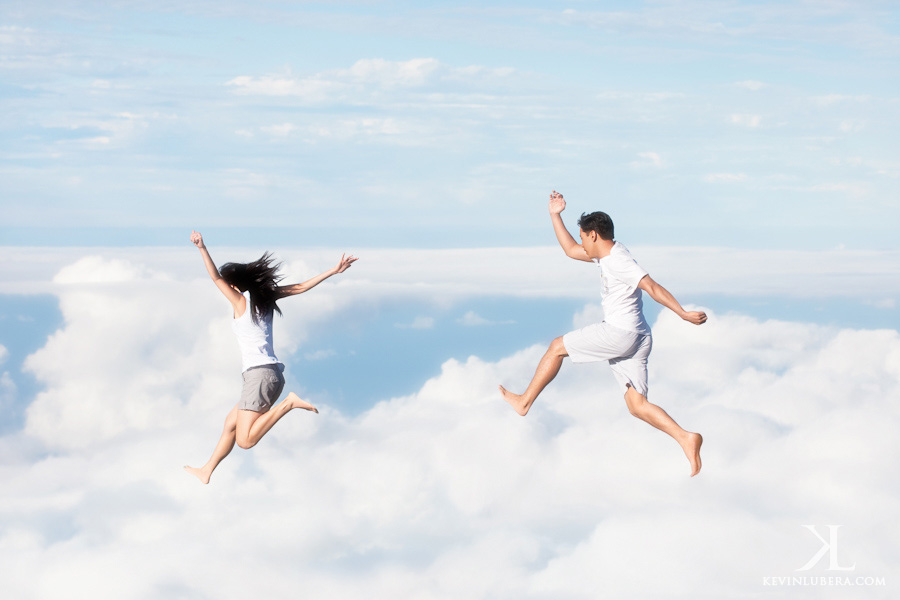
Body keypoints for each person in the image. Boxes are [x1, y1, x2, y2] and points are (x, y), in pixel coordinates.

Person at [499, 191, 707, 476]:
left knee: (556, 347)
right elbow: (570, 250)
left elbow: (653, 287)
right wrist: (554, 215)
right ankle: (686, 437)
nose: (581, 242)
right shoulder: (609, 254)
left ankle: (524, 402)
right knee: (637, 405)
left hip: (620, 334)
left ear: (594, 235)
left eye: (584, 236)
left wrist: (682, 313)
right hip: (639, 337)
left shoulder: (619, 261)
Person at [184, 230, 358, 484]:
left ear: (235, 285)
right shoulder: (265, 298)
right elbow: (300, 287)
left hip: (260, 376)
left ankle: (289, 403)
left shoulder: (240, 302)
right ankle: (207, 469)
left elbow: (214, 277)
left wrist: (202, 247)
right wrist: (333, 271)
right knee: (230, 424)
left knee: (245, 440)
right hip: (267, 375)